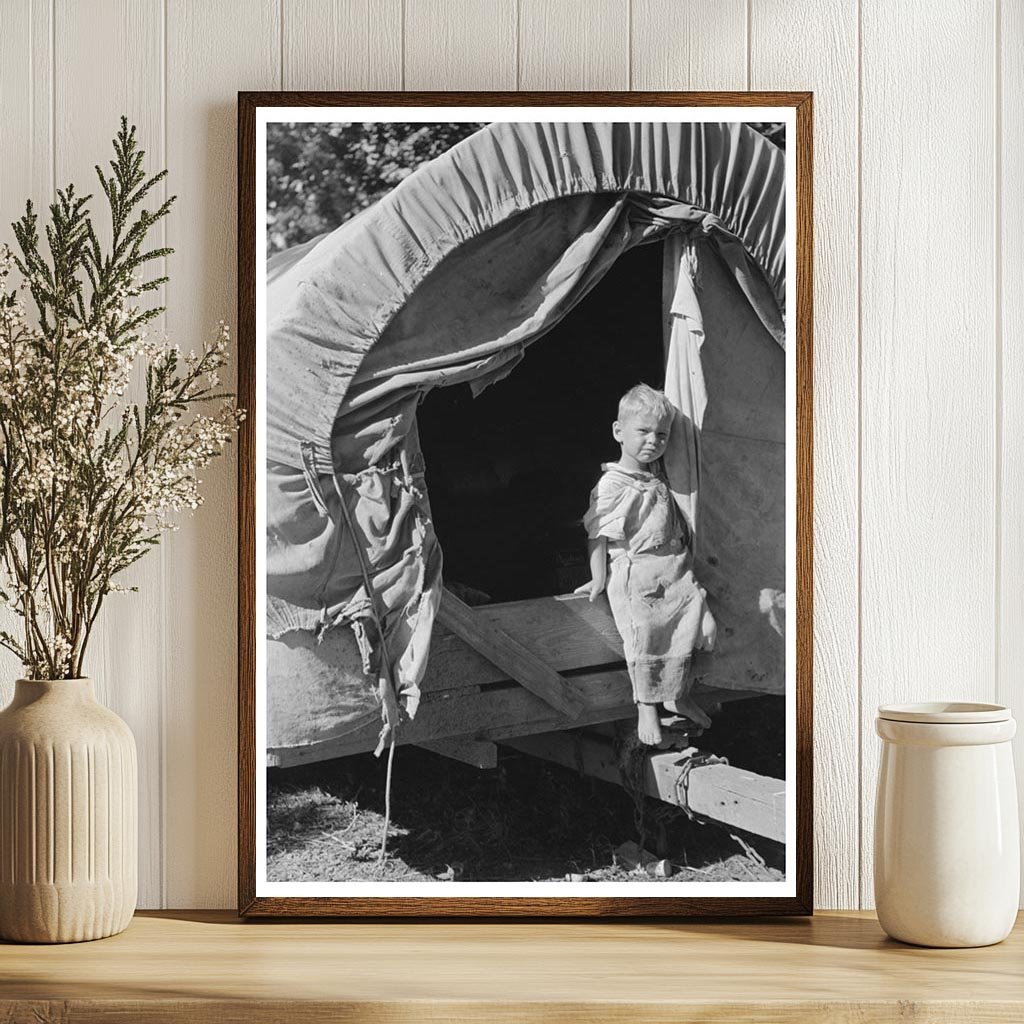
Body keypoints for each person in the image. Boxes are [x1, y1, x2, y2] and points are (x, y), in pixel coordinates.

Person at [576, 384, 717, 746]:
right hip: (637, 572)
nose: (653, 441)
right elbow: (599, 533)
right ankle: (646, 706)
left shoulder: (659, 477)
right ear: (618, 432)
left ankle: (678, 695)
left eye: (662, 434)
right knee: (644, 634)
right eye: (643, 432)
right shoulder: (613, 483)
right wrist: (597, 577)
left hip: (671, 567)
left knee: (692, 627)